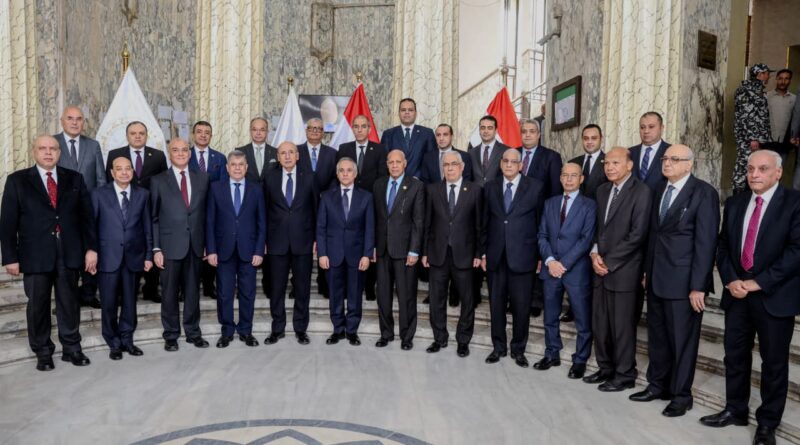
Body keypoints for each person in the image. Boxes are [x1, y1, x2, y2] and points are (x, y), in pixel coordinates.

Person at [701, 150, 800, 445]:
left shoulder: (794, 203)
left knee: (773, 364)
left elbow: (796, 251)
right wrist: (731, 279)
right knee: (735, 356)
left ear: (778, 173)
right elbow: (722, 246)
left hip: (774, 297)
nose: (754, 174)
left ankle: (767, 423)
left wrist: (758, 282)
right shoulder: (736, 202)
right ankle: (735, 409)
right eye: (750, 168)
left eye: (763, 169)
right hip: (737, 295)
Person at [629, 144, 719, 418]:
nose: (666, 163)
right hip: (657, 277)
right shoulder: (659, 189)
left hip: (684, 282)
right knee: (658, 338)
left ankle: (681, 396)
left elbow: (706, 243)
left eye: (674, 159)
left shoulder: (703, 193)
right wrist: (647, 270)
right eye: (665, 158)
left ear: (689, 164)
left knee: (682, 342)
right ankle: (657, 386)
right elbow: (653, 235)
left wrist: (698, 286)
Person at [0, 135, 97, 371]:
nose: (48, 152)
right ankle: (43, 351)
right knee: (38, 305)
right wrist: (10, 257)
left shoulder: (74, 178)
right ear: (34, 151)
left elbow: (86, 218)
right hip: (35, 254)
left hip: (69, 252)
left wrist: (91, 249)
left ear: (59, 152)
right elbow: (7, 222)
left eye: (53, 148)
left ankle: (72, 347)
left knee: (69, 303)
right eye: (42, 148)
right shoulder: (17, 180)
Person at [585, 147, 652, 391]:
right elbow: (598, 229)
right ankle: (605, 368)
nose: (610, 167)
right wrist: (594, 254)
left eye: (615, 163)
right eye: (606, 163)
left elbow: (637, 235)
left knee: (622, 327)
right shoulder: (602, 190)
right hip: (599, 268)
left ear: (629, 165)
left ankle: (624, 375)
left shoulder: (642, 191)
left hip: (624, 271)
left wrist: (609, 261)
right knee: (600, 324)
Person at [482, 148, 544, 368]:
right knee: (496, 306)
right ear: (500, 164)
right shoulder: (490, 187)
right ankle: (498, 347)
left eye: (513, 161)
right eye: (505, 161)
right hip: (496, 257)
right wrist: (483, 253)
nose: (509, 165)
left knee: (521, 307)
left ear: (521, 165)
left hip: (523, 257)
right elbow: (484, 222)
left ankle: (518, 349)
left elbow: (540, 224)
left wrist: (539, 256)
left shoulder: (535, 187)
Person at [535, 162, 596, 379]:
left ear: (581, 179)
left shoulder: (590, 205)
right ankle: (552, 353)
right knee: (550, 316)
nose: (569, 179)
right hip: (551, 269)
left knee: (582, 318)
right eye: (565, 175)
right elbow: (542, 235)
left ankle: (580, 360)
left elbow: (586, 239)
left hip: (576, 270)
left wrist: (563, 264)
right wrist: (550, 261)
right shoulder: (550, 203)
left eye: (573, 175)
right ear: (560, 178)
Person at [150, 138, 210, 351]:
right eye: (175, 150)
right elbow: (153, 218)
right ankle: (171, 335)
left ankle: (193, 333)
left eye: (185, 150)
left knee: (193, 292)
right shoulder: (158, 180)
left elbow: (207, 214)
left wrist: (208, 244)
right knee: (169, 294)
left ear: (190, 153)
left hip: (195, 245)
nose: (181, 153)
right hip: (169, 246)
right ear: (169, 153)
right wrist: (156, 248)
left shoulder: (203, 178)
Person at [91, 156, 152, 360]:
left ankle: (127, 339)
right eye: (119, 169)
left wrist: (148, 255)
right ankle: (113, 342)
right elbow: (91, 227)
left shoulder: (143, 194)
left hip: (134, 256)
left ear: (133, 172)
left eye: (128, 168)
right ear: (112, 172)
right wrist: (91, 252)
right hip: (107, 256)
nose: (124, 172)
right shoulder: (99, 194)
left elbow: (147, 227)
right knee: (108, 302)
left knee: (129, 301)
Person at [422, 151, 482, 358]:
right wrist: (424, 252)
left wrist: (478, 253)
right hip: (438, 254)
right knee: (436, 300)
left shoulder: (475, 190)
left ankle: (463, 340)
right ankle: (439, 338)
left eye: (454, 164)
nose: (449, 168)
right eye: (446, 165)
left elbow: (479, 226)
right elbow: (427, 224)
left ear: (462, 166)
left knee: (467, 300)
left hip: (465, 255)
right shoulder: (432, 190)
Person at [205, 150, 266, 348]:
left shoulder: (256, 189)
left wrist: (259, 250)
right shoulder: (216, 188)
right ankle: (227, 331)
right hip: (224, 250)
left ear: (246, 167)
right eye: (233, 164)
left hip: (249, 251)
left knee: (248, 293)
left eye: (241, 164)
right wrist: (211, 250)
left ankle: (246, 331)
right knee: (224, 293)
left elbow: (262, 222)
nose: (237, 168)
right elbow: (210, 221)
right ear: (227, 167)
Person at [106, 121, 168, 303]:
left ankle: (151, 289)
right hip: (125, 208)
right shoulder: (115, 154)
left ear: (146, 136)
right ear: (127, 136)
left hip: (151, 207)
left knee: (152, 244)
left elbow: (164, 181)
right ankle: (123, 291)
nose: (137, 136)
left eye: (141, 133)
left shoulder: (158, 155)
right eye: (133, 133)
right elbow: (109, 181)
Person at [263, 142, 319, 345]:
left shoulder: (310, 177)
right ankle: (277, 329)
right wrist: (264, 240)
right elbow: (264, 210)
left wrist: (316, 239)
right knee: (276, 288)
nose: (287, 156)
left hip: (303, 242)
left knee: (302, 288)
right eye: (283, 153)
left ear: (297, 156)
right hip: (276, 242)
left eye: (291, 152)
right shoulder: (269, 178)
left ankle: (300, 329)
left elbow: (316, 210)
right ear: (278, 157)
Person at [318, 158, 374, 346]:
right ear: (337, 174)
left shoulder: (366, 197)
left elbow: (369, 228)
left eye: (349, 170)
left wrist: (367, 254)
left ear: (355, 174)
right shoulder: (326, 197)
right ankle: (338, 330)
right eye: (341, 170)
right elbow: (321, 227)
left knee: (355, 294)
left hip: (357, 255)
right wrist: (322, 253)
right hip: (332, 255)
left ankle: (351, 331)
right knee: (335, 294)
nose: (345, 173)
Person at [55, 105, 106, 308]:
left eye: (79, 119)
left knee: (91, 251)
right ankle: (66, 299)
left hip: (89, 210)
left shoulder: (93, 145)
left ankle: (88, 294)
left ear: (83, 122)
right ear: (62, 121)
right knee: (65, 257)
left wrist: (100, 208)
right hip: (61, 212)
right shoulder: (52, 144)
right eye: (70, 118)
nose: (75, 122)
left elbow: (101, 179)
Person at [373, 150, 424, 349]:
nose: (394, 165)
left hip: (405, 251)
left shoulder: (416, 186)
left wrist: (414, 250)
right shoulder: (378, 184)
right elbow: (376, 218)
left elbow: (418, 221)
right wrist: (372, 247)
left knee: (406, 296)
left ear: (405, 163)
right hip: (382, 249)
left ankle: (407, 336)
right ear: (387, 164)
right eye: (391, 162)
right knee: (383, 296)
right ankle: (386, 334)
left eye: (398, 162)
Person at [338, 114, 387, 301]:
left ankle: (369, 286)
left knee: (369, 243)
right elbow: (340, 175)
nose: (359, 130)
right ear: (352, 129)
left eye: (363, 126)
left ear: (369, 129)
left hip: (371, 204)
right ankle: (347, 285)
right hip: (348, 204)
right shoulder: (344, 148)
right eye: (356, 126)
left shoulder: (379, 149)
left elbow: (382, 178)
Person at [518, 117, 563, 318]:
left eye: (531, 131)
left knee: (538, 257)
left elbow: (555, 191)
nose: (527, 135)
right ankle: (517, 299)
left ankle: (535, 301)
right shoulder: (512, 154)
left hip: (540, 216)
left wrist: (550, 219)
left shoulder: (551, 157)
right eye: (524, 131)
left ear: (538, 134)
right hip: (516, 219)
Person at [298, 117, 337, 299]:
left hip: (325, 205)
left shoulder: (332, 153)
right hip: (301, 207)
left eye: (319, 129)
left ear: (323, 132)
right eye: (312, 128)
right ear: (306, 131)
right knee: (301, 247)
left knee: (325, 244)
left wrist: (327, 195)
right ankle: (297, 285)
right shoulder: (296, 151)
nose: (315, 131)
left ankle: (324, 283)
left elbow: (336, 178)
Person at [189, 120, 227, 300]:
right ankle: (188, 286)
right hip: (190, 211)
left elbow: (224, 186)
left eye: (207, 132)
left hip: (213, 211)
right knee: (191, 248)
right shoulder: (185, 155)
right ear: (193, 134)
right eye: (199, 131)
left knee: (212, 245)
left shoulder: (220, 158)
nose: (203, 135)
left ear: (211, 136)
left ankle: (209, 286)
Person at [732, 63, 773, 195]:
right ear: (760, 74)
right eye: (767, 73)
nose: (769, 76)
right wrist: (752, 138)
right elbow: (745, 116)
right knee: (743, 166)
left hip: (759, 138)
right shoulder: (745, 91)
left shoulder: (759, 91)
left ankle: (750, 197)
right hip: (749, 139)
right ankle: (737, 197)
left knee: (754, 166)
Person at [380, 98, 436, 178]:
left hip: (420, 182)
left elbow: (431, 161)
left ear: (415, 113)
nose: (407, 112)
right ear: (399, 113)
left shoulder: (427, 134)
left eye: (410, 110)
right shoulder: (388, 134)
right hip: (395, 181)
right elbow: (384, 161)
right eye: (403, 110)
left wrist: (418, 177)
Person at [629, 112, 671, 191]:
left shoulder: (671, 151)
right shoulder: (629, 153)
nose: (646, 131)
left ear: (661, 128)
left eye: (651, 127)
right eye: (642, 127)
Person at [569, 124, 608, 201]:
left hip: (599, 207)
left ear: (601, 139)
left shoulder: (608, 162)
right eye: (586, 138)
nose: (589, 142)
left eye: (594, 138)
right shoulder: (573, 162)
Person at [766, 69, 796, 164]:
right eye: (780, 78)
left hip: (785, 143)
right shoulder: (767, 97)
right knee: (765, 169)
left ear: (790, 80)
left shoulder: (794, 99)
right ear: (776, 79)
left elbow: (796, 121)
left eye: (786, 79)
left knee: (779, 170)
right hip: (767, 142)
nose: (783, 81)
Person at [238, 117, 279, 183]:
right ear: (250, 131)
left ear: (267, 131)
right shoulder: (240, 152)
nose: (258, 133)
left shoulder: (276, 152)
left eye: (262, 130)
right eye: (254, 130)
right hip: (248, 189)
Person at [468, 115, 506, 187]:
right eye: (483, 128)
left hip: (497, 192)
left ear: (496, 131)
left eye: (490, 128)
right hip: (476, 193)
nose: (486, 131)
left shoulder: (505, 150)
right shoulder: (471, 152)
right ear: (479, 130)